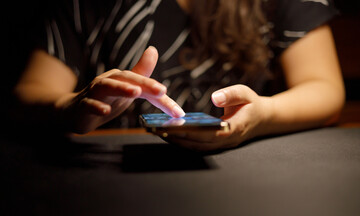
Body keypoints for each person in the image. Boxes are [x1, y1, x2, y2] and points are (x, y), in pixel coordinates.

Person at [10, 0, 345, 151]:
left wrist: (264, 113)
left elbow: (325, 87)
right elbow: (29, 91)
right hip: (107, 179)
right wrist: (69, 107)